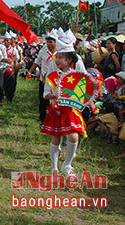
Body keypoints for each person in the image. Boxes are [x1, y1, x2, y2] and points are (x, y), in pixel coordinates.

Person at [41, 30, 88, 178]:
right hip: (56, 109)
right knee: (56, 137)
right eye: (58, 57)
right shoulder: (53, 72)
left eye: (62, 57)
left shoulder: (77, 66)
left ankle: (67, 165)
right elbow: (46, 91)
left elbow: (85, 84)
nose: (58, 59)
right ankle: (54, 169)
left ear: (70, 60)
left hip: (72, 109)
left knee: (73, 135)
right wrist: (56, 96)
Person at [28, 30, 57, 123]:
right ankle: (43, 120)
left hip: (55, 82)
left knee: (54, 101)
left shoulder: (60, 53)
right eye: (47, 41)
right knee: (43, 100)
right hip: (44, 80)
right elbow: (37, 61)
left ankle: (53, 120)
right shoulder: (44, 50)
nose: (48, 44)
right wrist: (30, 71)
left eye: (51, 42)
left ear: (56, 43)